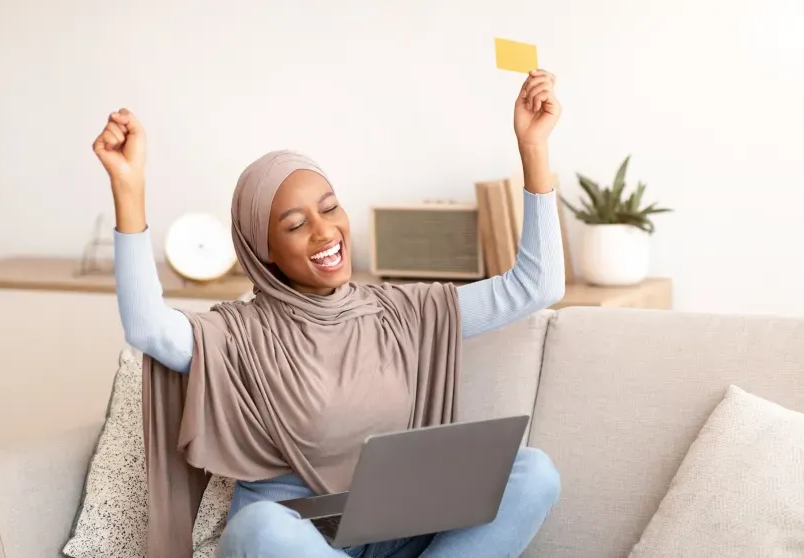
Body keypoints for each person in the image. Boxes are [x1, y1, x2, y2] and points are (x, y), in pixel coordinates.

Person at [92, 69, 566, 558]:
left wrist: (534, 148)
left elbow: (537, 285)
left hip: (397, 531)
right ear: (265, 250)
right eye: (296, 225)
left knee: (532, 473)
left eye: (330, 208)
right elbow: (147, 326)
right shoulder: (233, 335)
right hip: (298, 543)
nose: (325, 232)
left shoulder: (405, 312)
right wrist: (128, 190)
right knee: (260, 529)